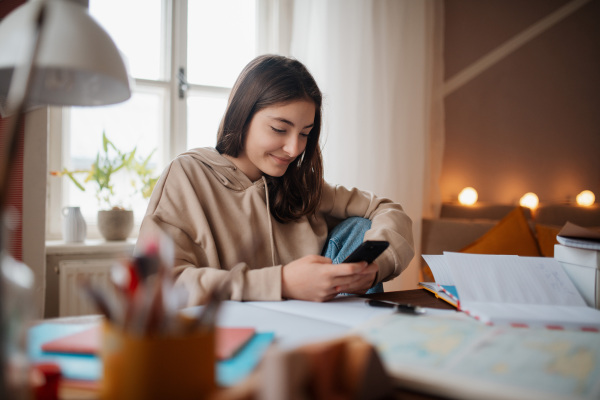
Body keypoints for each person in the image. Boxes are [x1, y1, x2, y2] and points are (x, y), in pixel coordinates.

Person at [136, 55, 414, 305]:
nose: (294, 149)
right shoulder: (187, 176)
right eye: (279, 129)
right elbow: (158, 284)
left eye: (305, 133)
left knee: (360, 229)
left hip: (314, 327)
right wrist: (282, 283)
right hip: (226, 334)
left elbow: (388, 209)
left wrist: (378, 266)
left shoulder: (298, 185)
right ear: (242, 115)